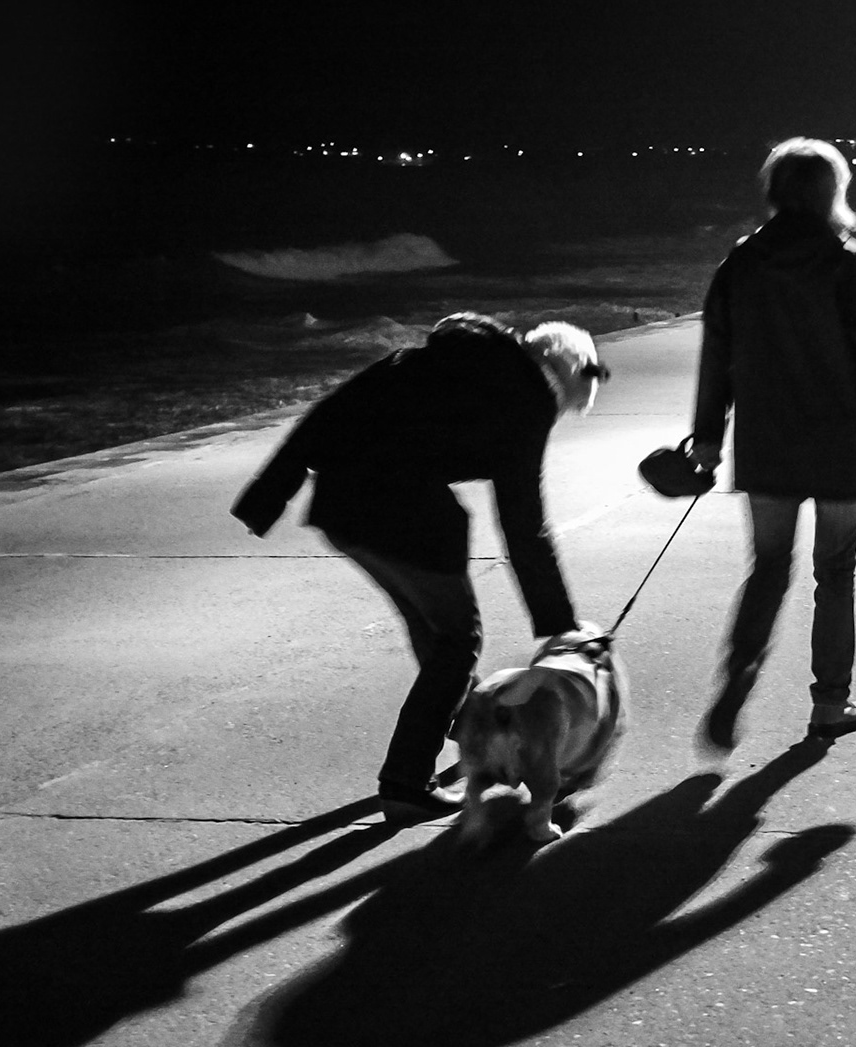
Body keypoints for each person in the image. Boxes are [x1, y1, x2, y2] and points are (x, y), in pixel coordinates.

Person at [231, 313, 611, 820]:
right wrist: (560, 625)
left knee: (431, 628)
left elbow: (330, 410)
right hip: (400, 515)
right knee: (458, 637)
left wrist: (269, 494)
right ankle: (406, 782)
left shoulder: (437, 360)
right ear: (563, 376)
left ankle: (477, 738)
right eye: (567, 405)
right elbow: (523, 523)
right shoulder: (528, 395)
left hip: (340, 508)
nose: (559, 414)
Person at [687, 137, 856, 753]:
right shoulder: (848, 261)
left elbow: (716, 357)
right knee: (835, 574)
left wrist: (709, 439)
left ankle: (737, 676)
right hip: (836, 442)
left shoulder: (739, 263)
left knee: (768, 568)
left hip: (766, 443)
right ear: (832, 192)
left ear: (773, 190)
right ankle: (829, 705)